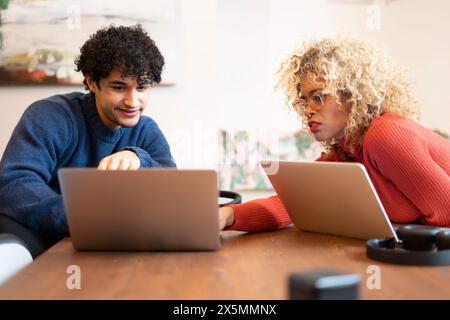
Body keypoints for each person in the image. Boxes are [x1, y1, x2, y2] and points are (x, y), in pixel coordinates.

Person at [219, 37, 450, 231]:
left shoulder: (385, 134)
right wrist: (229, 215)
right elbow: (294, 203)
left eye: (318, 96)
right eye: (305, 101)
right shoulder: (345, 153)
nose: (308, 109)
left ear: (351, 95)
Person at [0, 25, 176, 256]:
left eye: (142, 88)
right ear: (92, 83)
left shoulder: (146, 131)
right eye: (119, 87)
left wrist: (139, 159)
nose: (133, 102)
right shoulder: (49, 116)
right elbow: (14, 184)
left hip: (111, 250)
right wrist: (85, 218)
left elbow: (173, 192)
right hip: (40, 249)